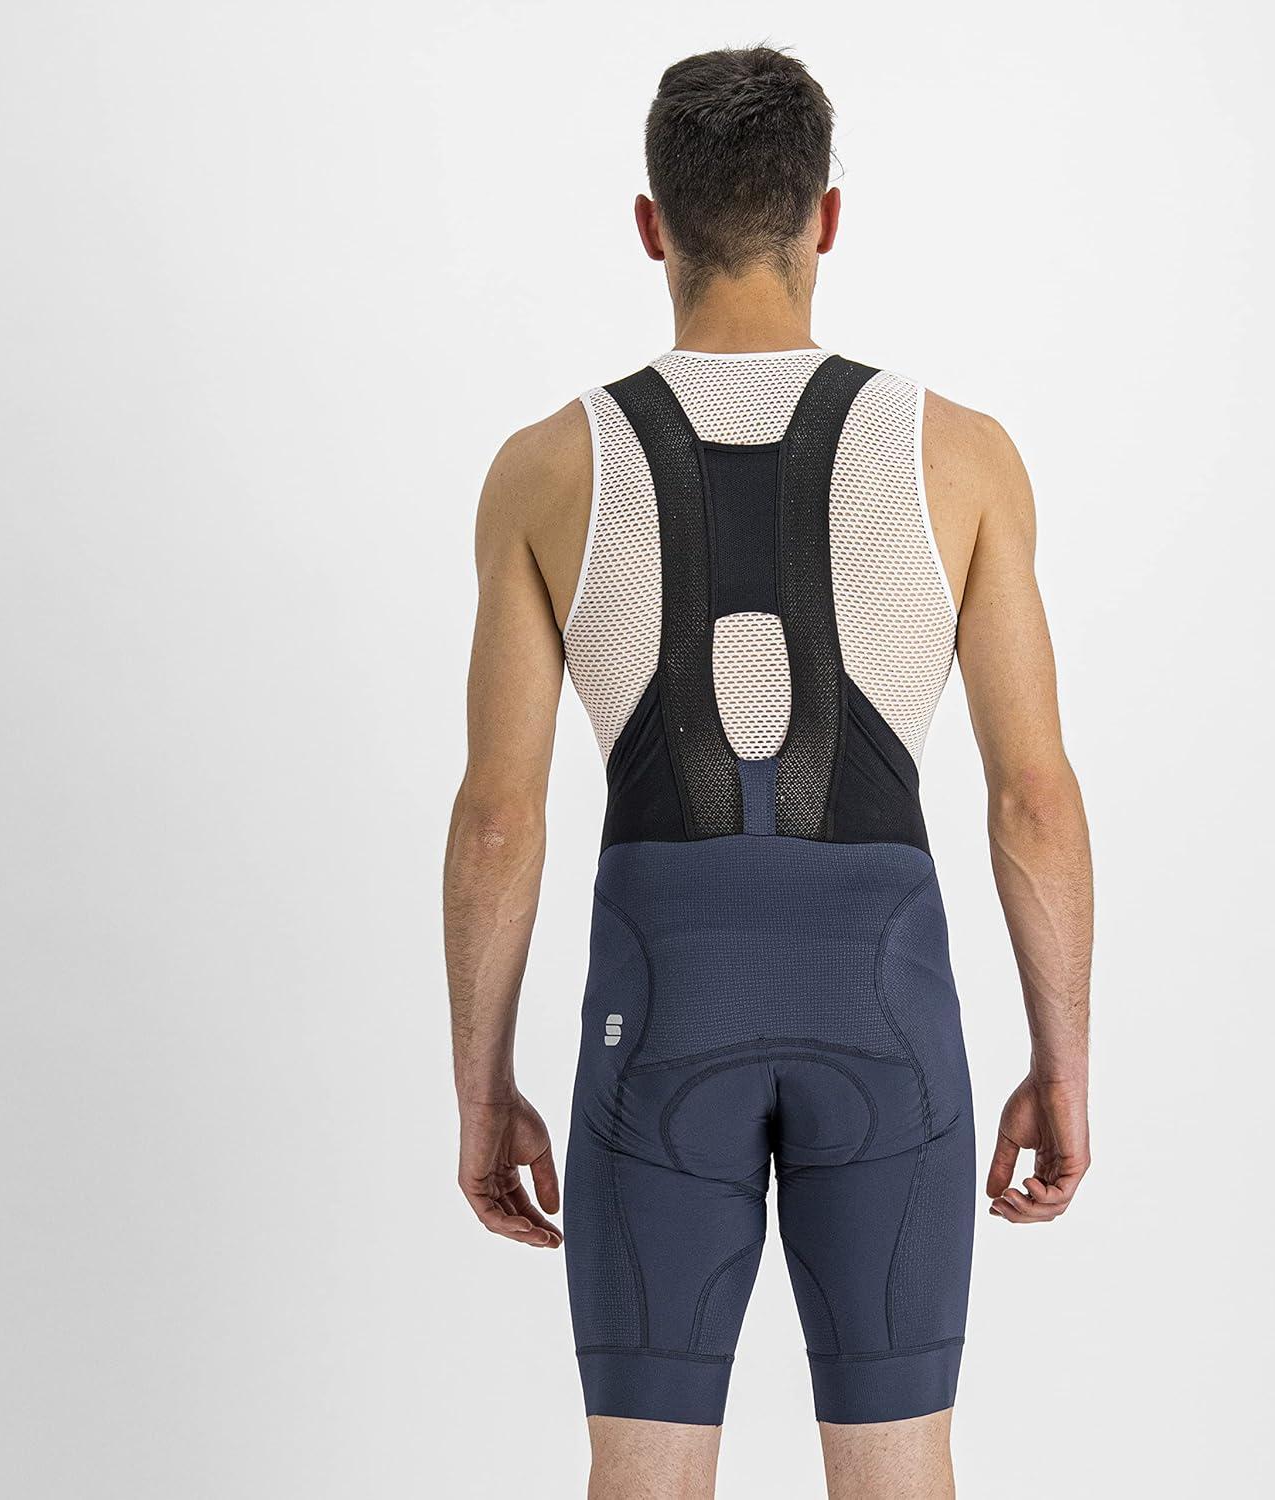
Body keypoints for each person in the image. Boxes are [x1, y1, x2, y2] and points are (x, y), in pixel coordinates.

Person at [443, 46, 1093, 1500]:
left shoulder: (544, 469)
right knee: (901, 1475)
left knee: (644, 1477)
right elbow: (1034, 800)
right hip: (888, 1018)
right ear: (827, 219)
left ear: (651, 225)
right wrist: (1062, 1066)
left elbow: (497, 821)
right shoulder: (964, 458)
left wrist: (483, 1091)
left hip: (658, 1017)